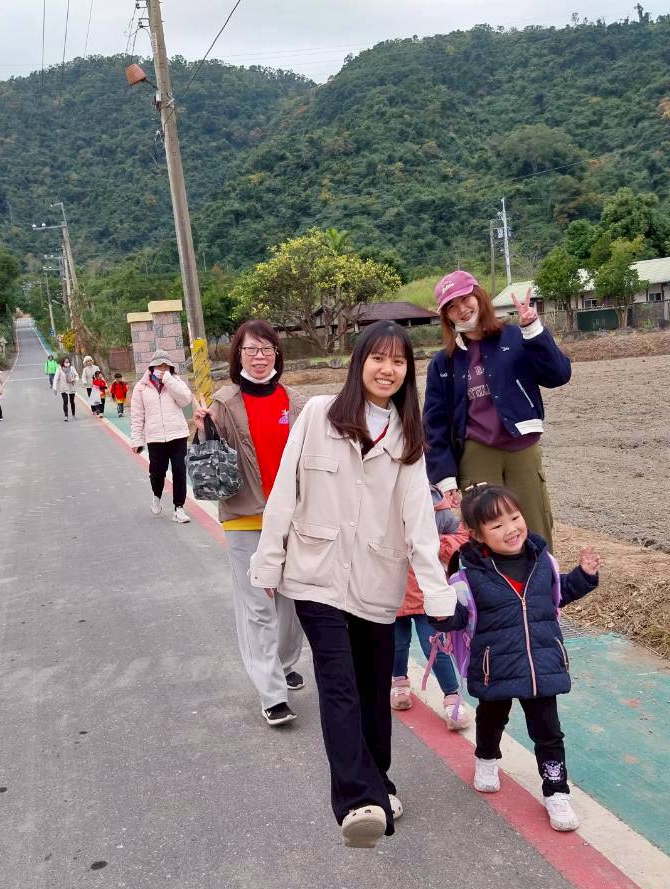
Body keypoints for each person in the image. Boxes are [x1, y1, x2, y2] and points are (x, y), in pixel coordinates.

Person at [250, 321, 457, 849]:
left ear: (408, 372)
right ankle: (356, 801)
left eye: (398, 361)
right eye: (377, 358)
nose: (387, 370)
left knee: (370, 688)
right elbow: (285, 490)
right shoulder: (319, 415)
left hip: (376, 580)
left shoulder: (408, 437)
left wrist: (436, 590)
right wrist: (268, 562)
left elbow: (419, 522)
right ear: (359, 362)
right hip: (314, 574)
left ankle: (379, 779)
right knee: (338, 682)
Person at [448, 483, 600, 832]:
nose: (511, 528)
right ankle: (487, 758)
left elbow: (557, 595)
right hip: (495, 667)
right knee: (491, 719)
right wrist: (439, 610)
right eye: (497, 525)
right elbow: (457, 618)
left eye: (515, 517)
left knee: (549, 733)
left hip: (541, 665)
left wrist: (584, 577)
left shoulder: (542, 561)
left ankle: (556, 790)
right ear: (477, 535)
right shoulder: (470, 575)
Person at [193, 319, 307, 727]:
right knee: (258, 606)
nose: (260, 357)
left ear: (277, 353)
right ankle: (272, 694)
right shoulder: (224, 402)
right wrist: (202, 430)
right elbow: (209, 459)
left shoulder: (295, 402)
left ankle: (284, 663)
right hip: (244, 517)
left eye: (267, 349)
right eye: (251, 350)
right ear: (238, 355)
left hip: (291, 518)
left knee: (292, 601)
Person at [424, 271, 572, 548]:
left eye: (465, 299)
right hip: (476, 452)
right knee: (486, 532)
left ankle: (543, 576)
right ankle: (489, 578)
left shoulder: (516, 336)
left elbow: (559, 375)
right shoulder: (443, 362)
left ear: (479, 296)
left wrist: (533, 330)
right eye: (451, 306)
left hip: (522, 446)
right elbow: (435, 423)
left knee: (534, 525)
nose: (461, 309)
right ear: (446, 316)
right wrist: (444, 476)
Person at [390, 487, 470, 730]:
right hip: (391, 591)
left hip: (428, 591)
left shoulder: (434, 503)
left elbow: (460, 535)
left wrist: (438, 545)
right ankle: (399, 681)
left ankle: (451, 695)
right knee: (397, 643)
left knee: (435, 645)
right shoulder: (377, 498)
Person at [129, 350, 193, 524]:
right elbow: (137, 416)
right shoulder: (141, 388)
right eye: (159, 366)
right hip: (155, 437)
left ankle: (179, 508)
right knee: (157, 472)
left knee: (179, 470)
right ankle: (156, 496)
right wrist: (137, 440)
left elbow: (186, 400)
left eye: (166, 366)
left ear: (171, 368)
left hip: (178, 434)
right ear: (152, 367)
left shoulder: (175, 382)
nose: (162, 369)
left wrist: (169, 380)